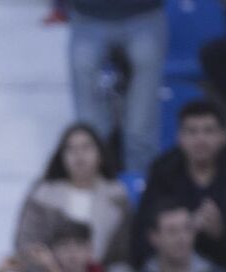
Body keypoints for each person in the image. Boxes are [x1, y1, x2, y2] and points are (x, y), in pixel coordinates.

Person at [131, 99, 226, 272]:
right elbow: (141, 240)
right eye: (191, 131)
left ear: (225, 136)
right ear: (179, 138)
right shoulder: (162, 173)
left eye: (209, 131)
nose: (200, 139)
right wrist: (184, 230)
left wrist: (222, 233)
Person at [66, 0, 166, 175]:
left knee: (140, 129)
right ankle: (93, 188)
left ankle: (141, 189)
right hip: (88, 16)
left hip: (144, 15)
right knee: (91, 127)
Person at [13, 123, 130, 271]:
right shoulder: (43, 196)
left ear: (100, 154)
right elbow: (27, 247)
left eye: (86, 147)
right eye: (71, 149)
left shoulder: (117, 196)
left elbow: (124, 253)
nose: (79, 155)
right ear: (61, 156)